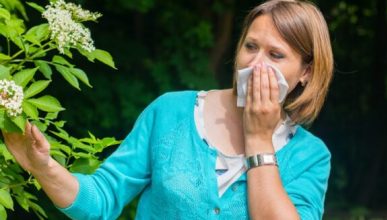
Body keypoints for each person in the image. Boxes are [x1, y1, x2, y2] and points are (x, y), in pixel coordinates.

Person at [2, 0, 333, 219]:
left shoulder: (311, 156)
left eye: (276, 55)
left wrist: (259, 139)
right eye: (250, 46)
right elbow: (101, 199)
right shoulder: (171, 112)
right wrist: (44, 167)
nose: (256, 63)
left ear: (306, 71)